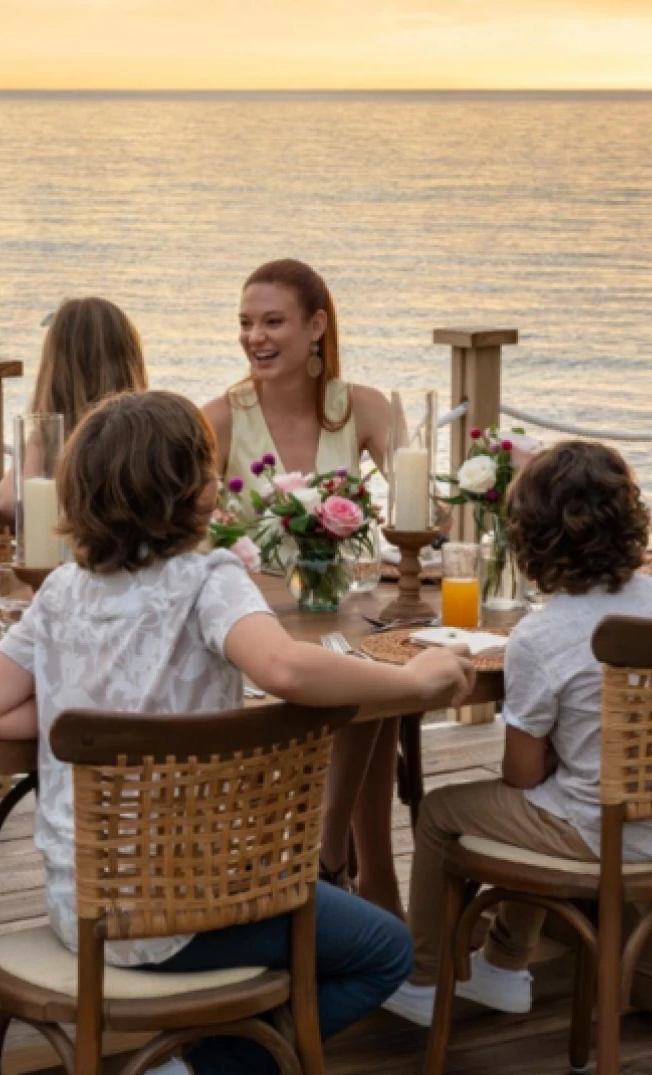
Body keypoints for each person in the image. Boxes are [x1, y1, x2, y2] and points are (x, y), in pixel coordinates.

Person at [0, 390, 474, 1075]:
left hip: (79, 906)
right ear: (192, 494)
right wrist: (417, 682)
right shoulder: (207, 580)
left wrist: (84, 713)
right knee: (384, 949)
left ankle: (194, 1051)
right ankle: (203, 1066)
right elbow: (284, 665)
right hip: (192, 909)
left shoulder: (62, 590)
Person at [385, 441, 652, 1026]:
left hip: (607, 837)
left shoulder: (541, 637)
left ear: (529, 539)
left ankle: (425, 980)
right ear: (631, 520)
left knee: (445, 811)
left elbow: (520, 775)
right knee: (547, 800)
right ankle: (501, 965)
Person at [200, 258, 403, 915]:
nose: (255, 337)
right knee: (369, 680)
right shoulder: (219, 420)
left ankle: (344, 869)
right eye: (246, 323)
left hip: (347, 617)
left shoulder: (363, 407)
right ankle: (348, 868)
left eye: (272, 321)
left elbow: (421, 510)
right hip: (256, 632)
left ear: (316, 326)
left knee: (372, 667)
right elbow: (190, 544)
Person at [0, 296, 148, 516]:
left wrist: (36, 442)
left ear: (53, 370)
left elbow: (10, 500)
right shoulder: (148, 430)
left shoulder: (49, 440)